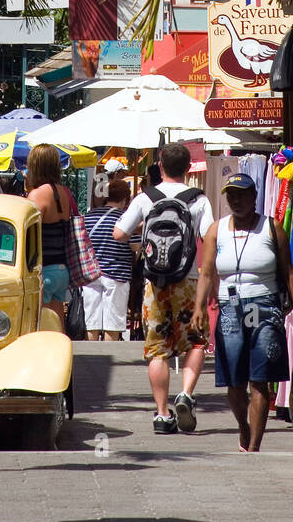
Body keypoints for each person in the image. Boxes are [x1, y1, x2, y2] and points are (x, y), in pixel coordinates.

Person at [192, 173, 293, 453]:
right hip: (230, 308)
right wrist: (198, 308)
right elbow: (206, 273)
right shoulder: (216, 230)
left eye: (242, 194)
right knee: (234, 380)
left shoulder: (272, 227)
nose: (236, 200)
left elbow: (288, 272)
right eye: (231, 195)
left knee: (260, 377)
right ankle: (243, 426)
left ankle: (254, 444)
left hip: (265, 307)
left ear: (255, 197)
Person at [113, 141, 214, 435]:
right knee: (195, 341)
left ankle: (161, 413)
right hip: (189, 280)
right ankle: (185, 394)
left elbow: (118, 232)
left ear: (159, 164)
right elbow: (209, 236)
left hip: (154, 284)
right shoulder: (199, 199)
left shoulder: (146, 198)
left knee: (157, 349)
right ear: (188, 168)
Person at [26, 142, 77, 328]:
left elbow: (28, 227)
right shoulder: (63, 192)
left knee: (40, 323)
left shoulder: (37, 194)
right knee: (57, 322)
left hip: (44, 269)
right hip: (61, 269)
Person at [82, 179, 135, 340]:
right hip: (116, 275)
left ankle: (93, 359)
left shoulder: (89, 216)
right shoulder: (126, 219)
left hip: (91, 274)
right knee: (112, 325)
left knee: (92, 323)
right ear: (125, 199)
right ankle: (109, 355)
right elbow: (135, 247)